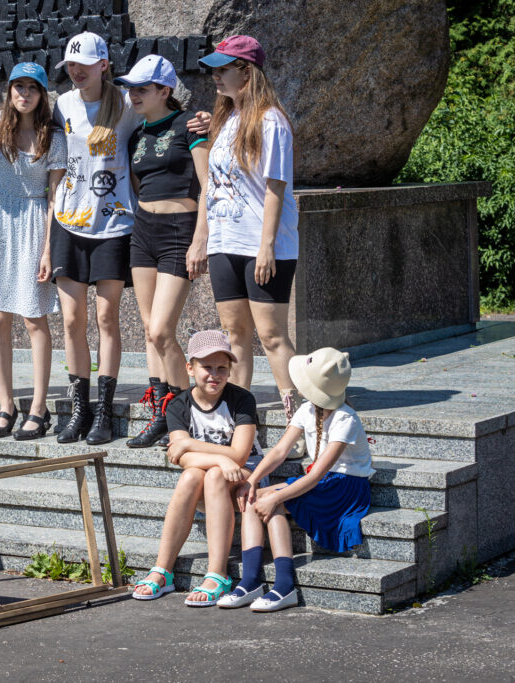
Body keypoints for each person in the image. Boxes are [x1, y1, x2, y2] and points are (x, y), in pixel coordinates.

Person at [52, 33, 209, 445]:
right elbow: (16, 130)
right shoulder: (67, 105)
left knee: (151, 328)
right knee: (139, 326)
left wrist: (201, 237)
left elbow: (209, 160)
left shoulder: (132, 109)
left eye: (144, 88)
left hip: (134, 227)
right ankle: (114, 410)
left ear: (104, 64)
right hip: (115, 226)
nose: (76, 70)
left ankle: (172, 412)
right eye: (71, 63)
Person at [197, 36, 302, 430]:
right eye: (215, 69)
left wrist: (267, 247)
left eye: (223, 69)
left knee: (272, 335)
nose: (215, 77)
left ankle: (299, 418)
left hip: (263, 245)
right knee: (234, 334)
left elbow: (276, 187)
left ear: (246, 72)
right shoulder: (227, 120)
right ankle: (238, 418)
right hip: (227, 243)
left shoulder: (271, 121)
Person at [223, 347, 373, 612]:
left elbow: (316, 476)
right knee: (253, 496)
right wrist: (253, 480)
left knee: (273, 501)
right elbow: (280, 451)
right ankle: (251, 582)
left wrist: (277, 496)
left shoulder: (345, 419)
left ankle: (284, 585)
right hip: (325, 481)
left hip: (344, 487)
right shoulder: (307, 410)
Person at [114, 54, 210, 448]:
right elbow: (138, 185)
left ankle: (186, 413)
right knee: (150, 335)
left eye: (142, 88)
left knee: (161, 329)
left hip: (179, 231)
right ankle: (161, 414)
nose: (133, 94)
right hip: (144, 231)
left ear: (164, 91)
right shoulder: (136, 134)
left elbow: (208, 187)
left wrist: (200, 237)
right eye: (131, 88)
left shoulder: (190, 125)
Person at [131, 330, 265, 607]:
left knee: (213, 473)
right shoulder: (178, 405)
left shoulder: (242, 399)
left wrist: (195, 446)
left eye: (221, 368)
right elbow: (179, 458)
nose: (214, 374)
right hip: (211, 477)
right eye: (206, 367)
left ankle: (217, 573)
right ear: (190, 368)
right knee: (193, 474)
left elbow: (240, 454)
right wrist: (222, 458)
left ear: (230, 370)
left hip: (246, 476)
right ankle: (163, 569)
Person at [0, 62, 67, 440]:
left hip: (35, 222)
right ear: (9, 90)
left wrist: (49, 248)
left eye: (32, 87)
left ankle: (39, 406)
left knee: (34, 318)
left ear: (42, 94)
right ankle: (5, 404)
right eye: (18, 86)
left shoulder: (53, 135)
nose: (24, 94)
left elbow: (55, 197)